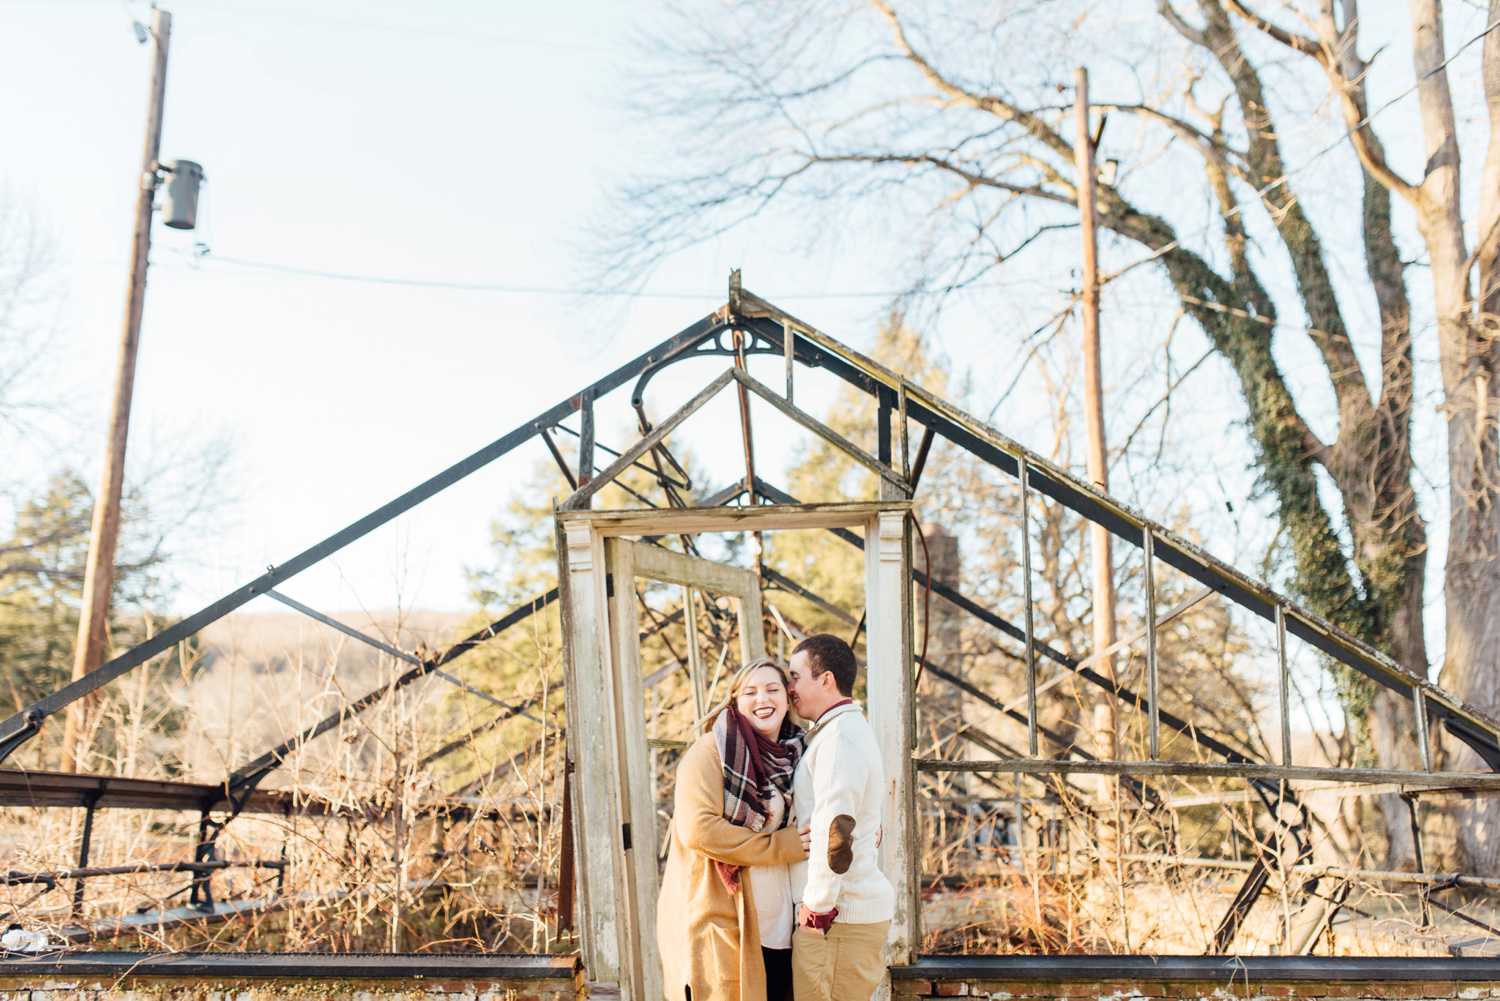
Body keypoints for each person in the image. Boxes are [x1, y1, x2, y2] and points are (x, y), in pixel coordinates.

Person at [657, 657, 811, 1001]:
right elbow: (700, 830)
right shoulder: (710, 753)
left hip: (780, 923)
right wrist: (780, 846)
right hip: (724, 918)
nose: (763, 700)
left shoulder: (797, 752)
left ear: (787, 699)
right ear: (735, 701)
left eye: (773, 690)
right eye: (750, 692)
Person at [785, 634, 895, 1001]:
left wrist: (817, 908)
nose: (790, 688)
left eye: (795, 676)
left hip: (838, 918)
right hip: (845, 914)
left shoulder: (840, 738)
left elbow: (838, 828)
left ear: (826, 679)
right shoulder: (843, 731)